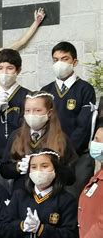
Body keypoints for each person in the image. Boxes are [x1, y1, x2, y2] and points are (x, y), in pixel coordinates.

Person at [41, 41, 96, 197]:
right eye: (55, 59)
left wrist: (64, 152)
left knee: (73, 199)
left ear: (74, 62)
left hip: (77, 157)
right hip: (49, 157)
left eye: (64, 59)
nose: (59, 63)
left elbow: (84, 126)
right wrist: (49, 153)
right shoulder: (46, 91)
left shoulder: (85, 89)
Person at [0, 91, 77, 190]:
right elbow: (3, 169)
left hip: (52, 194)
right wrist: (17, 167)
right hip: (21, 194)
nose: (31, 115)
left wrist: (54, 168)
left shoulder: (61, 139)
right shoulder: (16, 135)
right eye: (27, 111)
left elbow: (71, 177)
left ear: (49, 112)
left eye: (37, 110)